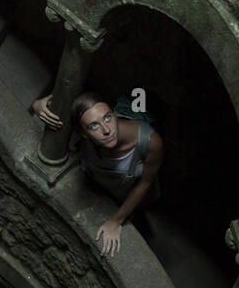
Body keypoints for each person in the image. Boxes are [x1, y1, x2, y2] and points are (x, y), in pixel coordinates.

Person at [31, 91, 163, 257]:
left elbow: (145, 183)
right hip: (100, 181)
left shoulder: (151, 142)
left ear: (114, 114)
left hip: (129, 192)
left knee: (141, 213)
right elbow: (55, 103)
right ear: (83, 134)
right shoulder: (83, 129)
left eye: (107, 118)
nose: (106, 130)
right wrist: (38, 105)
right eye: (94, 126)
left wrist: (116, 221)